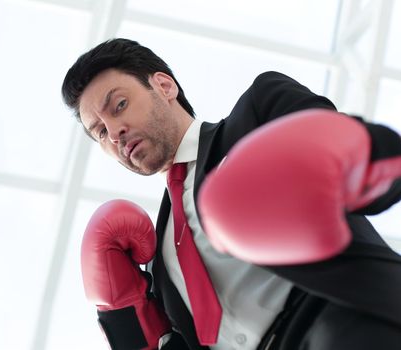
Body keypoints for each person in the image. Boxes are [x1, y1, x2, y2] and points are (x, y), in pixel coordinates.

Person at [61, 38, 401, 349]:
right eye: (100, 132)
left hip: (342, 322)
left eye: (119, 105)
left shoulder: (256, 113)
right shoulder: (158, 267)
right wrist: (120, 316)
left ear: (164, 86)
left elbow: (361, 156)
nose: (115, 133)